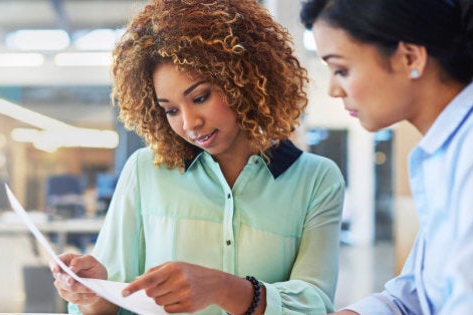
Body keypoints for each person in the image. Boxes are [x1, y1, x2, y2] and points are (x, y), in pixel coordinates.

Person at [50, 0, 346, 314]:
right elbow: (111, 301)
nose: (189, 123)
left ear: (241, 80)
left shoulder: (316, 180)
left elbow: (314, 304)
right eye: (171, 110)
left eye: (200, 97)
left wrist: (224, 288)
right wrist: (93, 290)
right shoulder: (145, 171)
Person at [300, 0, 473, 314]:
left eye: (341, 69)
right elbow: (413, 294)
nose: (334, 89)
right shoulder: (445, 148)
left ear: (409, 57)